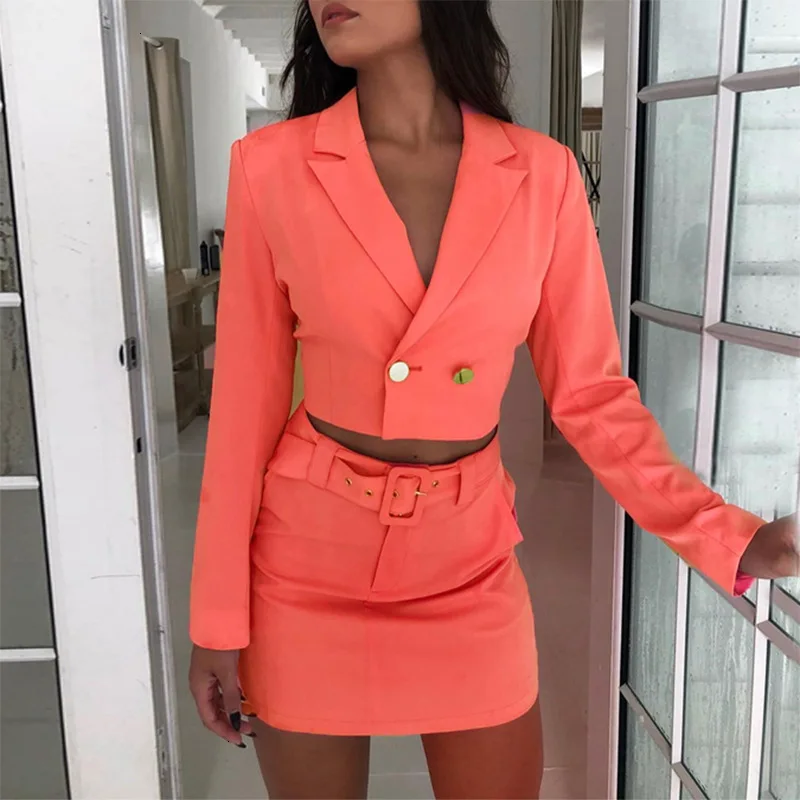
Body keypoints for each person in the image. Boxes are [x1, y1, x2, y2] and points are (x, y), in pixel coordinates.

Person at [188, 2, 799, 797]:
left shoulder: (543, 176)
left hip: (467, 563)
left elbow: (591, 396)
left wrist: (730, 537)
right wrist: (217, 624)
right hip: (305, 569)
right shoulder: (270, 166)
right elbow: (242, 413)